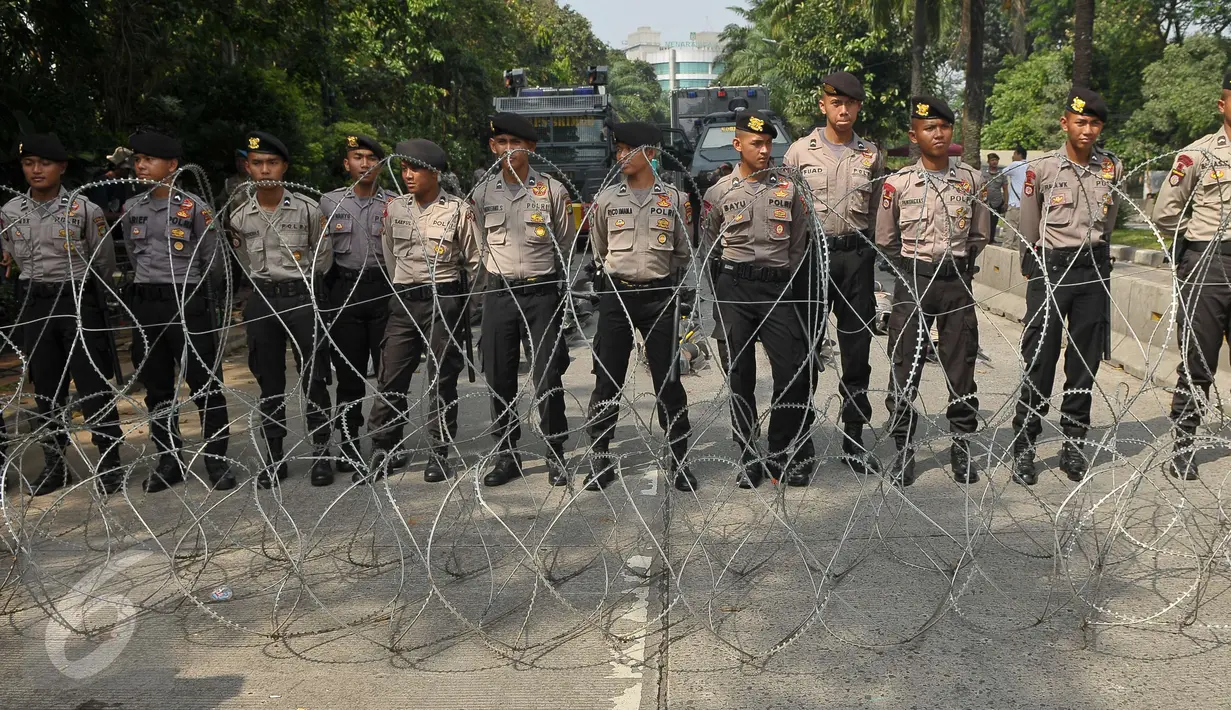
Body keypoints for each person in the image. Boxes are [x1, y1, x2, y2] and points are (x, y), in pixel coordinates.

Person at [0, 134, 125, 495]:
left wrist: (89, 297)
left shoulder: (84, 209)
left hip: (77, 298)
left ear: (62, 167)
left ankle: (109, 462)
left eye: (44, 163)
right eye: (28, 164)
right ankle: (55, 464)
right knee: (46, 388)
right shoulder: (10, 212)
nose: (36, 170)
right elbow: (14, 255)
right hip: (35, 302)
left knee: (92, 385)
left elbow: (103, 262)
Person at [1010, 88, 1122, 486]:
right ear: (1065, 123)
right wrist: (1030, 264)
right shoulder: (1041, 169)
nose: (1087, 130)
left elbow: (1108, 223)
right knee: (1039, 361)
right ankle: (1024, 442)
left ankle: (1074, 441)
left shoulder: (1111, 167)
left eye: (1094, 123)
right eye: (1081, 122)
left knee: (1083, 362)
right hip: (1051, 271)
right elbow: (1028, 222)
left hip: (1092, 271)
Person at [875, 96, 989, 487]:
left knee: (961, 366)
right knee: (905, 365)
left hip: (956, 279)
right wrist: (911, 268)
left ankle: (961, 446)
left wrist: (958, 267)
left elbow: (979, 234)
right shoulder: (898, 184)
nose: (937, 134)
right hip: (913, 279)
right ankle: (903, 448)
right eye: (928, 128)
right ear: (914, 135)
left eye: (943, 127)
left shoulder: (972, 181)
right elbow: (886, 239)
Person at [701, 110, 812, 488]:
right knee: (740, 378)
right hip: (735, 290)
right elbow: (709, 245)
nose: (765, 151)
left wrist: (780, 274)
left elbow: (799, 242)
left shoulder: (789, 188)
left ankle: (781, 452)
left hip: (778, 289)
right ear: (738, 146)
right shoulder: (718, 193)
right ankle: (749, 455)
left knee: (793, 374)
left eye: (768, 144)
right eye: (756, 144)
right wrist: (723, 289)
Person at [783, 71, 884, 485]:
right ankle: (802, 443)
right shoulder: (797, 153)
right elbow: (785, 209)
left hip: (855, 257)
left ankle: (855, 438)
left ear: (858, 107)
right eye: (835, 102)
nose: (843, 110)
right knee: (804, 350)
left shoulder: (870, 155)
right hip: (811, 257)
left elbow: (878, 211)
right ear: (823, 105)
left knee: (856, 351)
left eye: (851, 103)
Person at [586, 122, 695, 492]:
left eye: (628, 149)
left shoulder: (676, 200)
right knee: (607, 380)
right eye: (618, 149)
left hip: (660, 297)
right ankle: (600, 460)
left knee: (669, 381)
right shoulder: (606, 200)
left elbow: (683, 250)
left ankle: (679, 459)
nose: (620, 156)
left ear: (650, 153)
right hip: (616, 296)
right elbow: (600, 249)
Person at [364, 139, 480, 484]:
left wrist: (468, 307)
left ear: (435, 172)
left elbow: (475, 262)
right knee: (391, 375)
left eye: (415, 169)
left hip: (443, 300)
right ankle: (385, 447)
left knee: (441, 378)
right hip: (403, 300)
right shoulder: (395, 208)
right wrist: (403, 285)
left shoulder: (458, 210)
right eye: (403, 169)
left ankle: (439, 451)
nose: (408, 175)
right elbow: (390, 255)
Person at [123, 130, 233, 491]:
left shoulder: (195, 208)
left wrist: (196, 298)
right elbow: (130, 254)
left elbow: (213, 261)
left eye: (149, 159)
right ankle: (169, 459)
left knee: (204, 383)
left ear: (171, 165)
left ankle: (216, 460)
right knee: (156, 388)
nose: (140, 165)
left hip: (187, 302)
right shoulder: (132, 208)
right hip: (146, 304)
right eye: (137, 159)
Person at [470, 113, 576, 486]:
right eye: (501, 143)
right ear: (492, 147)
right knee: (499, 374)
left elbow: (565, 244)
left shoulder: (552, 191)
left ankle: (555, 452)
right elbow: (480, 244)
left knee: (548, 375)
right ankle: (506, 454)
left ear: (530, 147)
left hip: (541, 293)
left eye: (516, 144)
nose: (508, 150)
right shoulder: (482, 194)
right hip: (499, 294)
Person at [226, 131, 334, 488]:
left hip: (302, 298)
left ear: (284, 167)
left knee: (314, 377)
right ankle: (275, 456)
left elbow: (324, 257)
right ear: (248, 168)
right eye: (257, 163)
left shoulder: (307, 208)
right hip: (263, 300)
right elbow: (244, 259)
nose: (265, 169)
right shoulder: (240, 216)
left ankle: (321, 451)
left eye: (272, 162)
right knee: (268, 380)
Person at [1153, 70, 1231, 481]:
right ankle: (1184, 442)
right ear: (1222, 105)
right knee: (1199, 359)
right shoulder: (1198, 155)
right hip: (1209, 262)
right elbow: (1165, 213)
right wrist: (1200, 242)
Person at [318, 135, 395, 474]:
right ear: (346, 164)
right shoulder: (328, 203)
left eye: (371, 158)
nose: (365, 163)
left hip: (384, 291)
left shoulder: (394, 204)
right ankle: (348, 441)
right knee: (348, 376)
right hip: (345, 294)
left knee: (390, 373)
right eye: (357, 157)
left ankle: (389, 440)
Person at [1001, 146, 1029, 246]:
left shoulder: (1015, 165)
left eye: (1014, 154)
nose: (1012, 156)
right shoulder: (1031, 166)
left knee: (1010, 230)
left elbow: (1003, 172)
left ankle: (1006, 256)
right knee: (1020, 235)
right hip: (1026, 206)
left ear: (1019, 154)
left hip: (1014, 205)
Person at [981, 152, 1008, 243]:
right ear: (988, 162)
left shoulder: (1001, 175)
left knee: (994, 221)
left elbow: (1005, 189)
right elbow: (981, 187)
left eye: (996, 160)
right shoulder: (984, 174)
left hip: (996, 201)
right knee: (984, 221)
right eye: (992, 160)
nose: (994, 162)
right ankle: (984, 238)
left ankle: (991, 238)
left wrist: (1006, 202)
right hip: (985, 201)